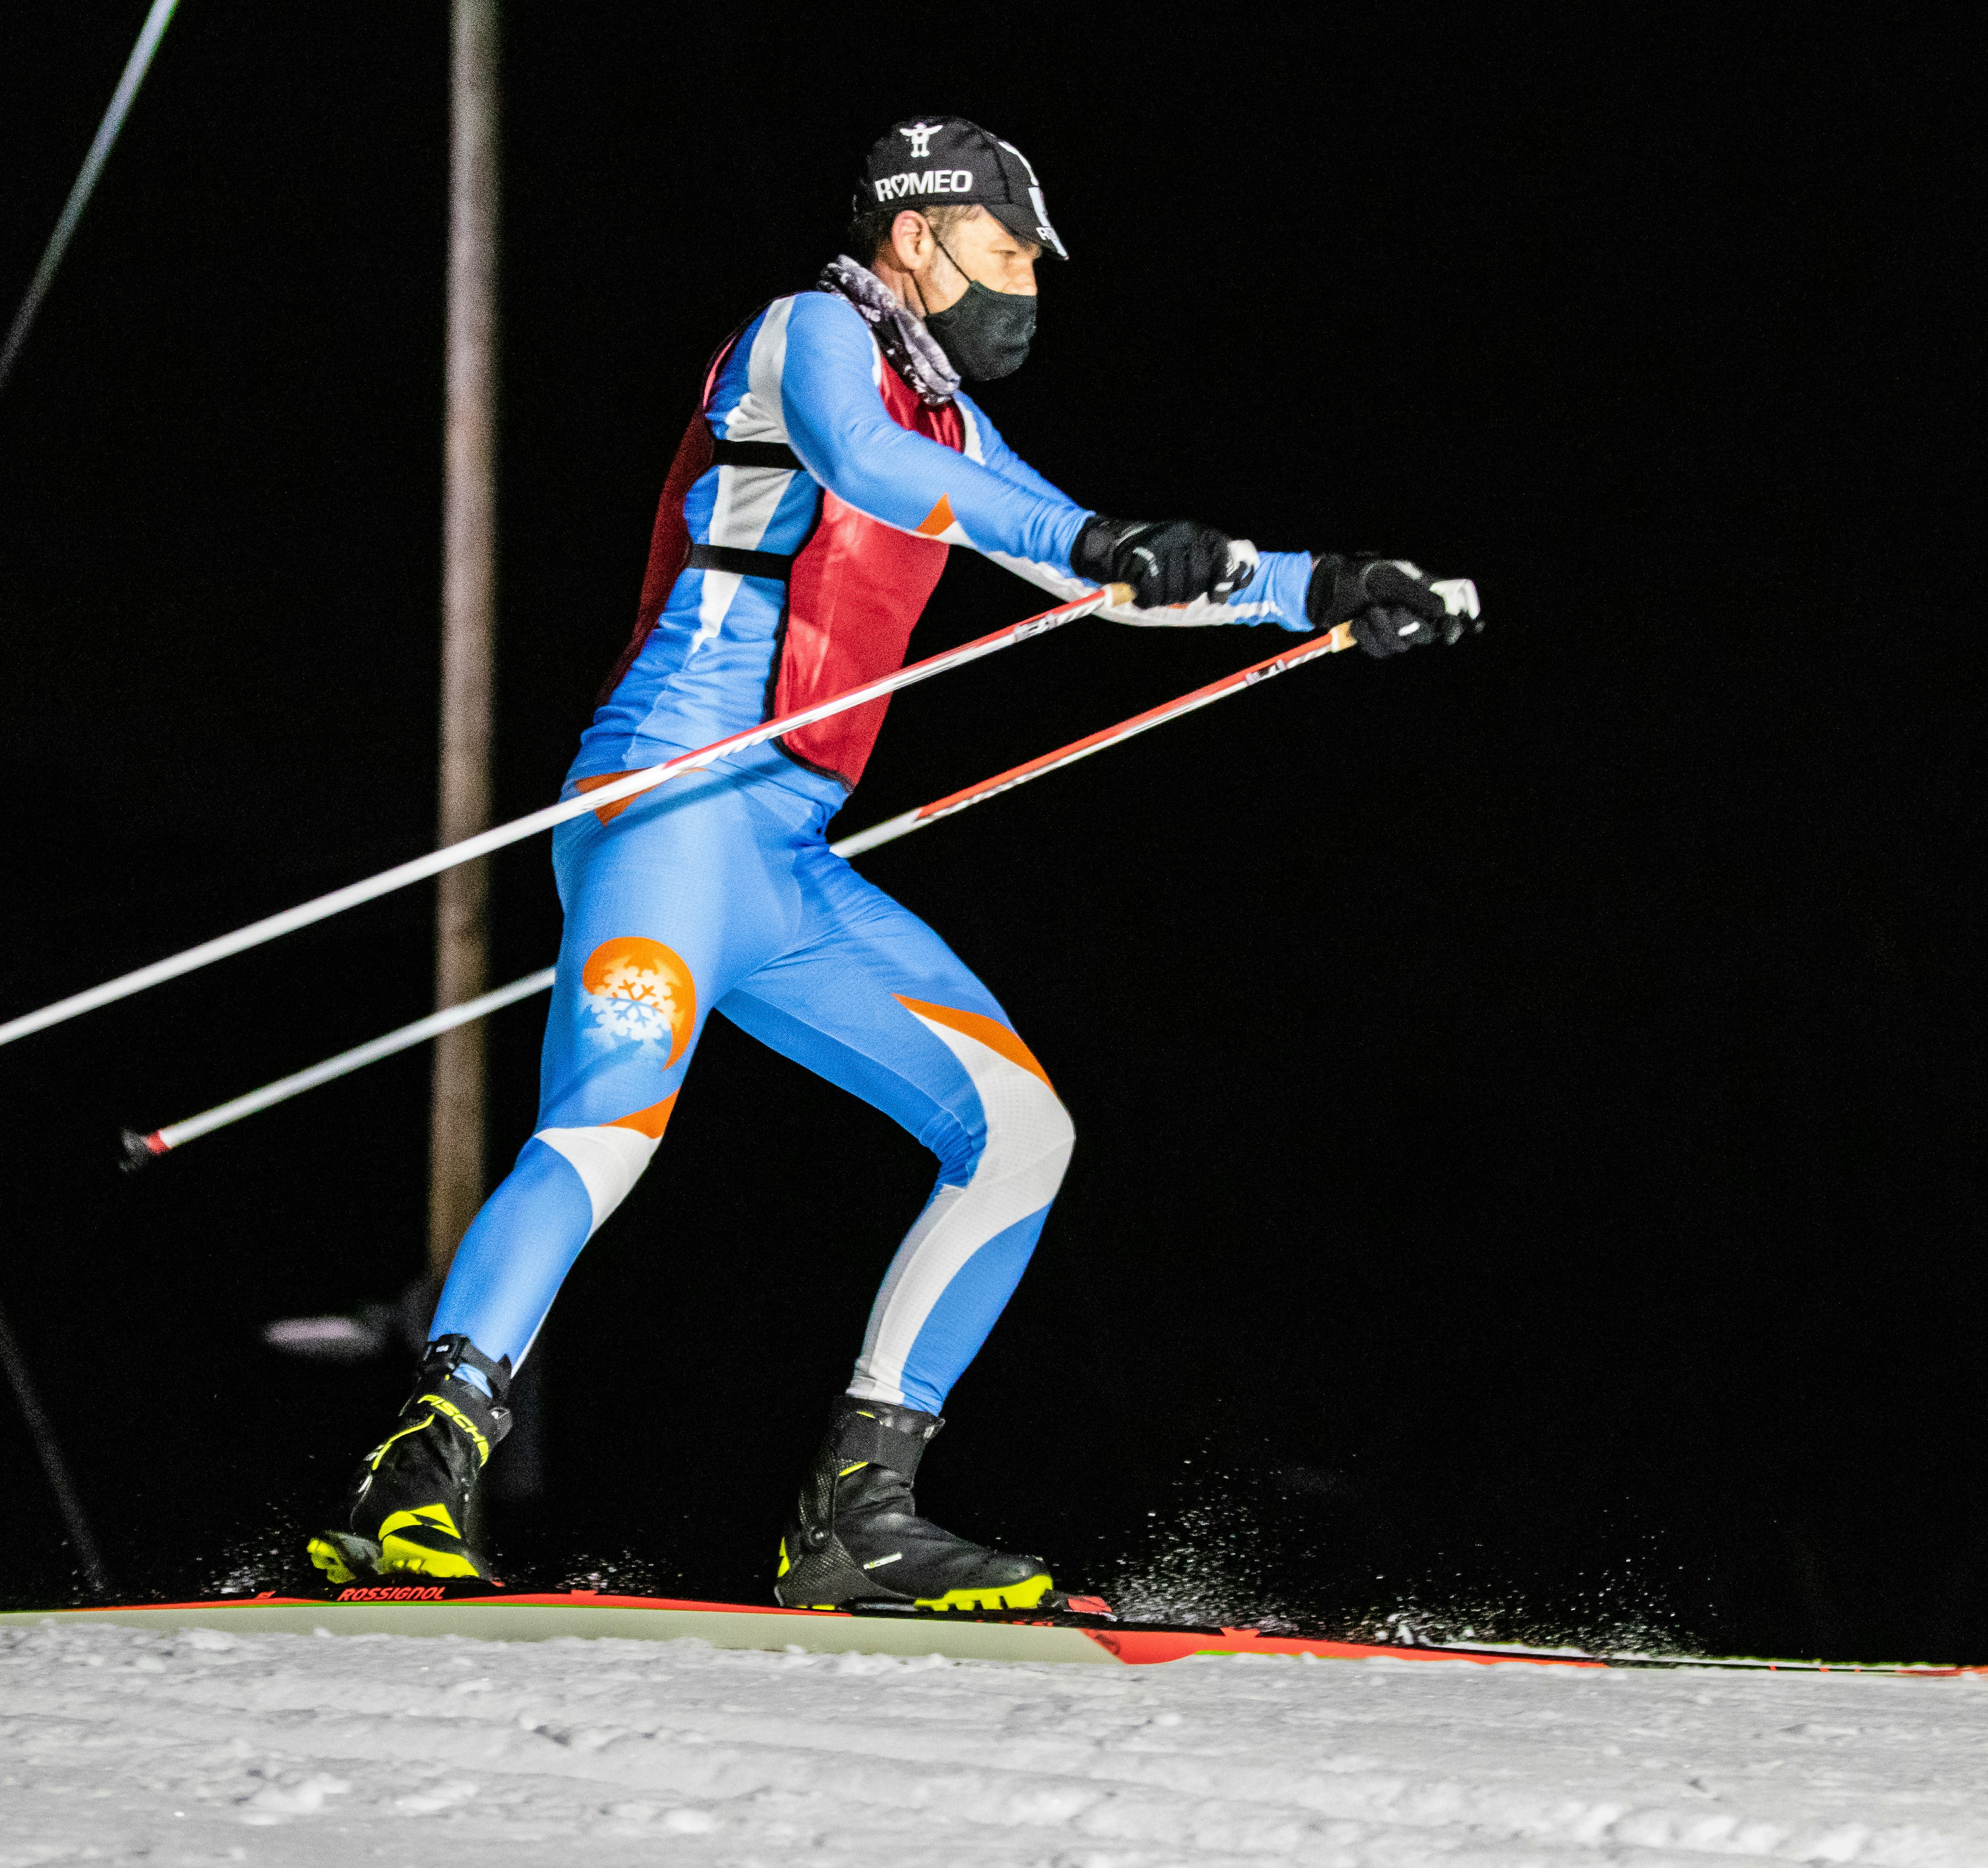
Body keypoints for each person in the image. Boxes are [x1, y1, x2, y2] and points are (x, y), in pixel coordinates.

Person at [309, 117, 1481, 1612]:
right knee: (609, 1129)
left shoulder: (947, 420)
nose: (1025, 294)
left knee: (1018, 1131)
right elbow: (867, 468)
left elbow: (1080, 571)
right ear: (917, 235)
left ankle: (858, 1513)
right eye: (1004, 255)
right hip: (663, 809)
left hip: (786, 861)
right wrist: (1102, 535)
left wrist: (1323, 589)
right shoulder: (808, 336)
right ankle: (414, 1477)